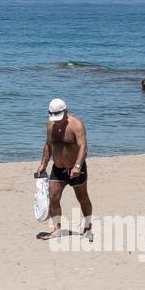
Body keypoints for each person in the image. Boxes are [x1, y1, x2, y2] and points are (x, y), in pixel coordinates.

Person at [34, 97, 92, 240]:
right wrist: (43, 164)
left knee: (82, 198)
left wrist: (78, 166)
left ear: (66, 111)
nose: (56, 120)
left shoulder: (76, 125)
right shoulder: (50, 125)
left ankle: (88, 227)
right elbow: (48, 145)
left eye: (59, 116)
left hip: (76, 169)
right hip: (58, 168)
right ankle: (57, 229)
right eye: (53, 116)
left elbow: (83, 147)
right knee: (53, 197)